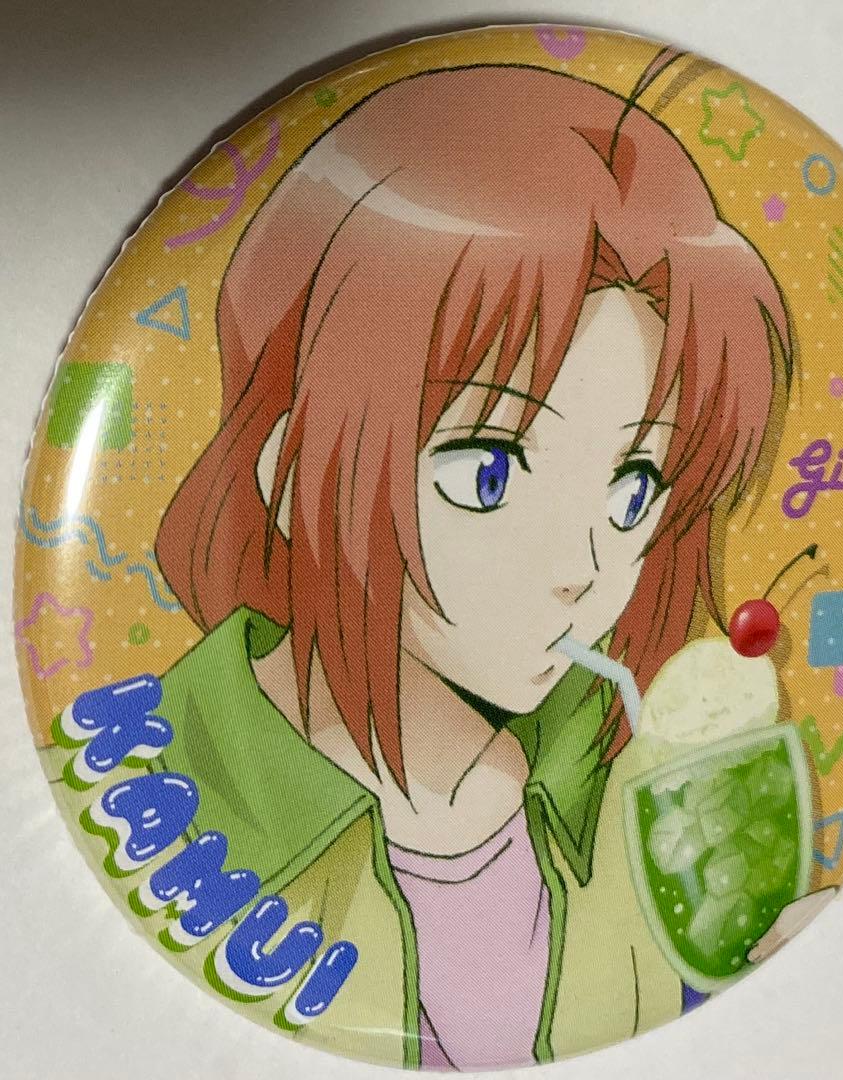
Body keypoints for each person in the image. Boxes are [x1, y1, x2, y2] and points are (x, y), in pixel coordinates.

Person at [144, 56, 791, 1069]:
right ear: (289, 466)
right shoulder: (145, 800)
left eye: (631, 489)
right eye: (486, 471)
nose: (582, 565)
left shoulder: (632, 791)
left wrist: (767, 984)